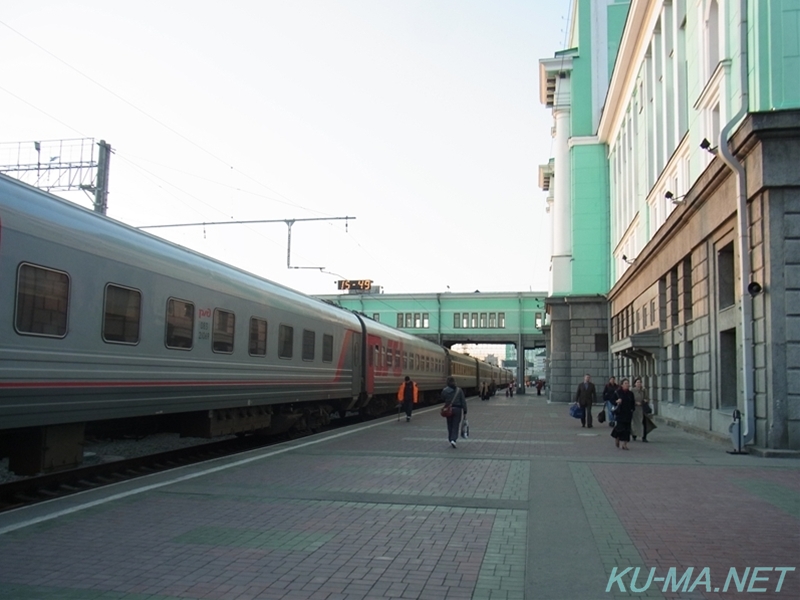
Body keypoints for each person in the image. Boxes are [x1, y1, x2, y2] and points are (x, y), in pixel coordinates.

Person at [441, 376, 467, 448]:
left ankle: (450, 438)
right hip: (457, 409)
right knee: (455, 425)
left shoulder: (445, 390)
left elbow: (442, 398)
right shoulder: (459, 390)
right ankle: (453, 439)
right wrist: (465, 410)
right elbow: (463, 401)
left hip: (449, 409)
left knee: (449, 424)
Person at [611, 378, 635, 449]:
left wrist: (632, 409)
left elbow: (632, 402)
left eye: (628, 383)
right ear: (622, 385)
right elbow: (612, 400)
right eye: (625, 383)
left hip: (628, 413)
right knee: (620, 428)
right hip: (620, 413)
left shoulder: (630, 393)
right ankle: (617, 437)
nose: (627, 385)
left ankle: (625, 444)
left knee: (627, 429)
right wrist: (617, 401)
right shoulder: (618, 392)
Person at [630, 377, 650, 441]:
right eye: (637, 382)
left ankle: (644, 437)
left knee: (644, 423)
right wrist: (635, 403)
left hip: (642, 409)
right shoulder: (632, 391)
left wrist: (646, 400)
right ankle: (634, 434)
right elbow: (630, 399)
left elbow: (647, 398)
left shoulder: (644, 390)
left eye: (640, 382)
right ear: (635, 384)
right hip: (635, 409)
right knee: (635, 423)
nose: (639, 384)